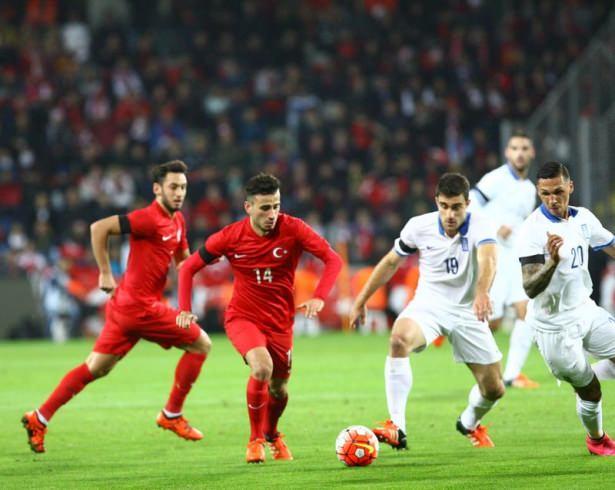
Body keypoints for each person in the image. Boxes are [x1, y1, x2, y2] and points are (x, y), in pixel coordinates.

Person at [22, 160, 212, 453]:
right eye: (173, 187)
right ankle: (172, 414)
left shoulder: (178, 221)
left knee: (95, 368)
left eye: (183, 187)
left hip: (126, 306)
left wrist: (210, 256)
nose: (179, 193)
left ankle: (40, 417)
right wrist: (105, 272)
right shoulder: (148, 218)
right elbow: (99, 228)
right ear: (157, 189)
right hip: (140, 308)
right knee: (201, 344)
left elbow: (184, 263)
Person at [177, 173, 342, 463]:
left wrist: (319, 296)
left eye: (276, 206)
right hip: (243, 317)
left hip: (280, 322)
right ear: (248, 207)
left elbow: (333, 259)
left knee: (279, 388)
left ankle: (272, 433)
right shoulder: (230, 236)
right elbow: (188, 267)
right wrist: (184, 308)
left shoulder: (294, 229)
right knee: (262, 368)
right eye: (265, 208)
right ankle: (255, 441)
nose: (272, 214)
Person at [350, 173, 505, 449]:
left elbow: (489, 260)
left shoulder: (482, 225)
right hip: (429, 305)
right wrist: (361, 299)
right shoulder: (418, 226)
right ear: (436, 202)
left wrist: (482, 292)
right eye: (444, 206)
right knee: (398, 340)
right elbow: (391, 262)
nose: (450, 214)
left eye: (456, 207)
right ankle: (397, 426)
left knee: (494, 389)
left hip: (468, 311)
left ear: (468, 203)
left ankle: (469, 421)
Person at [518, 161, 615, 456]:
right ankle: (597, 439)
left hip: (585, 310)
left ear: (570, 187)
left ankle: (590, 370)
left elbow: (609, 244)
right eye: (545, 193)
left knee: (591, 374)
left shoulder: (583, 218)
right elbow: (530, 287)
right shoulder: (532, 230)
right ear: (538, 192)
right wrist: (552, 262)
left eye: (558, 191)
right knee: (591, 390)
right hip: (555, 326)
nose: (552, 199)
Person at [468, 130, 540, 388]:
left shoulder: (530, 189)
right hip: (494, 255)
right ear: (507, 152)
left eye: (524, 148)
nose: (519, 153)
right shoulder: (495, 179)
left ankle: (511, 374)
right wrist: (495, 227)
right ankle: (457, 331)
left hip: (516, 257)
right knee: (493, 320)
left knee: (526, 311)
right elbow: (469, 203)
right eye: (515, 148)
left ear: (532, 153)